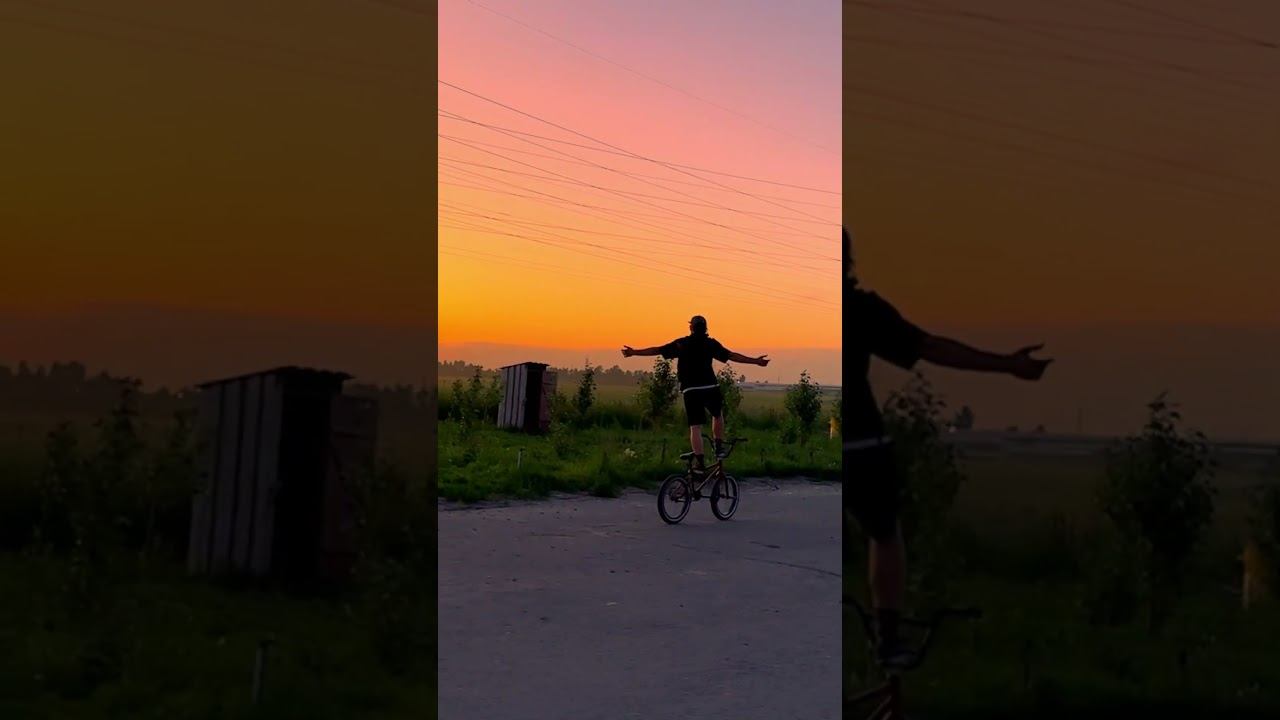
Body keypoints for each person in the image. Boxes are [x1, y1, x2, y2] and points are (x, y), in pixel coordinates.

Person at [845, 227, 1052, 666]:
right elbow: (931, 347)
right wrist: (1008, 365)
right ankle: (887, 638)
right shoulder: (860, 308)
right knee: (884, 532)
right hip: (860, 441)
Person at [622, 316, 769, 474]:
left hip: (690, 389)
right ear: (705, 328)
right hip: (710, 386)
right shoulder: (710, 343)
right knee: (717, 415)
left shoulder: (682, 343)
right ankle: (718, 446)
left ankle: (699, 462)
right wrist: (756, 361)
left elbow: (657, 350)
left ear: (691, 328)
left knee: (695, 427)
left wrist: (634, 352)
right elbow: (732, 356)